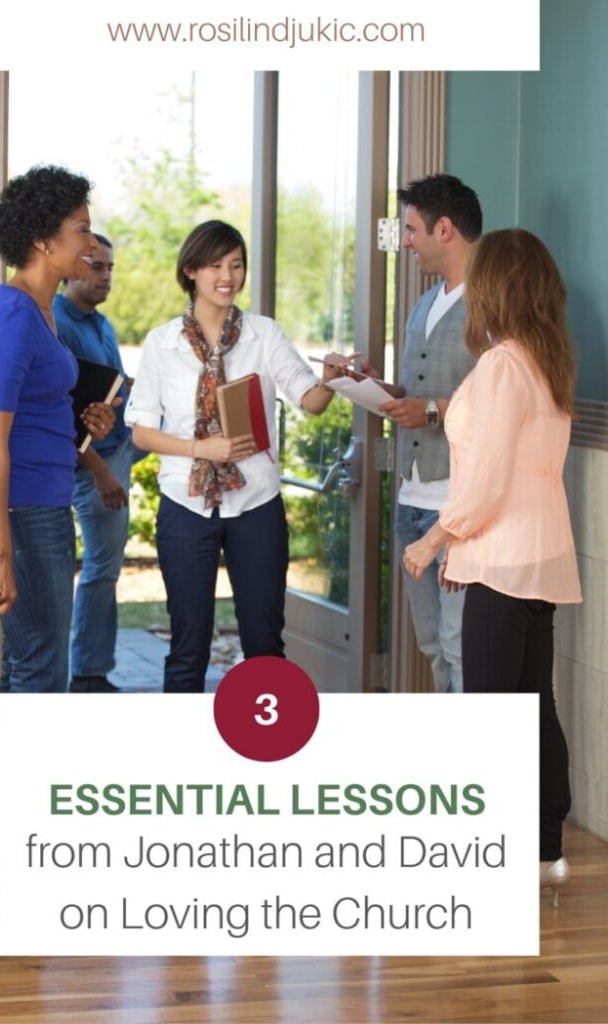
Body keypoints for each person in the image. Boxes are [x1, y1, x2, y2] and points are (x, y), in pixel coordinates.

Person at [402, 228, 582, 901]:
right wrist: (465, 548)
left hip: (502, 559)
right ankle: (542, 850)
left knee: (489, 715)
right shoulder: (544, 358)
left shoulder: (504, 365)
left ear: (497, 284)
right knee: (533, 706)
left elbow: (486, 479)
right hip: (530, 558)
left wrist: (435, 540)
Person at [0, 165, 116, 910]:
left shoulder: (44, 314)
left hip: (42, 503)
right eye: (80, 228)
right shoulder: (14, 316)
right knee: (41, 680)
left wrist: (86, 429)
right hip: (16, 514)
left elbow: (37, 416)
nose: (89, 238)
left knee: (30, 677)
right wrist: (0, 551)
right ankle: (4, 855)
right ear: (44, 239)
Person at [125, 220, 349, 692]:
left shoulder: (264, 334)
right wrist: (200, 448)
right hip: (185, 508)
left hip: (256, 506)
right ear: (190, 271)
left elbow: (309, 399)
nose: (228, 276)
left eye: (237, 264)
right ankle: (181, 761)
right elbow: (142, 432)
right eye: (215, 265)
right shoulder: (160, 343)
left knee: (264, 643)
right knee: (188, 645)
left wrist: (329, 379)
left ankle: (266, 754)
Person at [361, 174, 482, 693]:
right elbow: (419, 389)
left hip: (458, 507)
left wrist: (429, 410)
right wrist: (372, 386)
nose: (405, 240)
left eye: (411, 229)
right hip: (411, 500)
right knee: (434, 649)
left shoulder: (494, 302)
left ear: (445, 229)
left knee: (460, 649)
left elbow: (505, 403)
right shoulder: (425, 302)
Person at [54, 233, 145, 693]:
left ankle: (94, 668)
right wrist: (103, 474)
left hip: (123, 446)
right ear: (74, 267)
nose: (105, 275)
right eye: (96, 266)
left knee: (107, 566)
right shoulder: (58, 323)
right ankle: (88, 675)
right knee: (101, 569)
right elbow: (66, 416)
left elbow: (111, 387)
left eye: (110, 267)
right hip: (92, 467)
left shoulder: (101, 323)